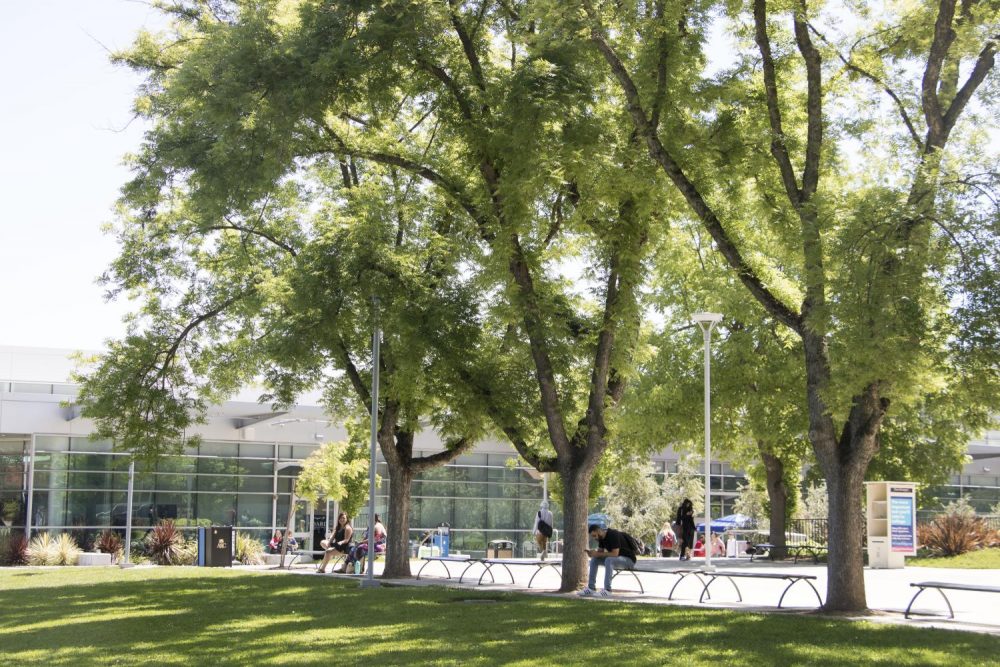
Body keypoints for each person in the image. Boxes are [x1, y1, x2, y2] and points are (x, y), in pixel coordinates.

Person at [577, 523, 639, 597]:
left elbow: (615, 553)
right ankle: (591, 588)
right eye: (593, 536)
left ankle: (607, 590)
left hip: (629, 560)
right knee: (594, 560)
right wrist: (593, 554)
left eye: (594, 535)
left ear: (599, 531)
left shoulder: (613, 534)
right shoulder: (601, 539)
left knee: (609, 560)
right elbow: (600, 553)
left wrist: (598, 554)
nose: (594, 538)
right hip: (617, 560)